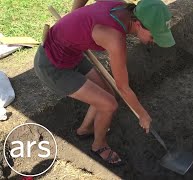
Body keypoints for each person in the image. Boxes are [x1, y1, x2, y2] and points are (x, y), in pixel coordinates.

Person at [34, 0, 175, 166]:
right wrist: (142, 114)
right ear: (138, 24)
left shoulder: (120, 6)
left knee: (107, 94)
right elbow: (123, 87)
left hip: (72, 52)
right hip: (53, 65)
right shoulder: (114, 38)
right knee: (109, 104)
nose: (155, 41)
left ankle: (84, 130)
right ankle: (98, 145)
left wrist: (75, 20)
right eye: (153, 36)